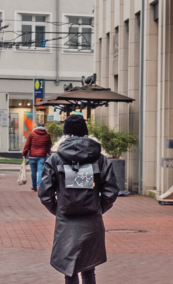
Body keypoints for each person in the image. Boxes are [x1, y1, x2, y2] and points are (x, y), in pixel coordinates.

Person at [38, 115, 119, 284]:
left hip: (66, 220)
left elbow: (45, 193)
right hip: (91, 219)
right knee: (89, 266)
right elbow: (111, 190)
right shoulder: (101, 159)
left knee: (69, 267)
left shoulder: (54, 159)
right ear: (86, 133)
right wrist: (98, 208)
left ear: (65, 133)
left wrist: (58, 209)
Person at [22, 123, 52, 191]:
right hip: (42, 156)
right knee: (40, 170)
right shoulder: (47, 135)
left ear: (37, 127)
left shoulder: (32, 134)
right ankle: (39, 186)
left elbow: (27, 145)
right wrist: (48, 153)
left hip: (32, 156)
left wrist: (24, 153)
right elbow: (49, 146)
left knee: (33, 172)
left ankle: (34, 186)